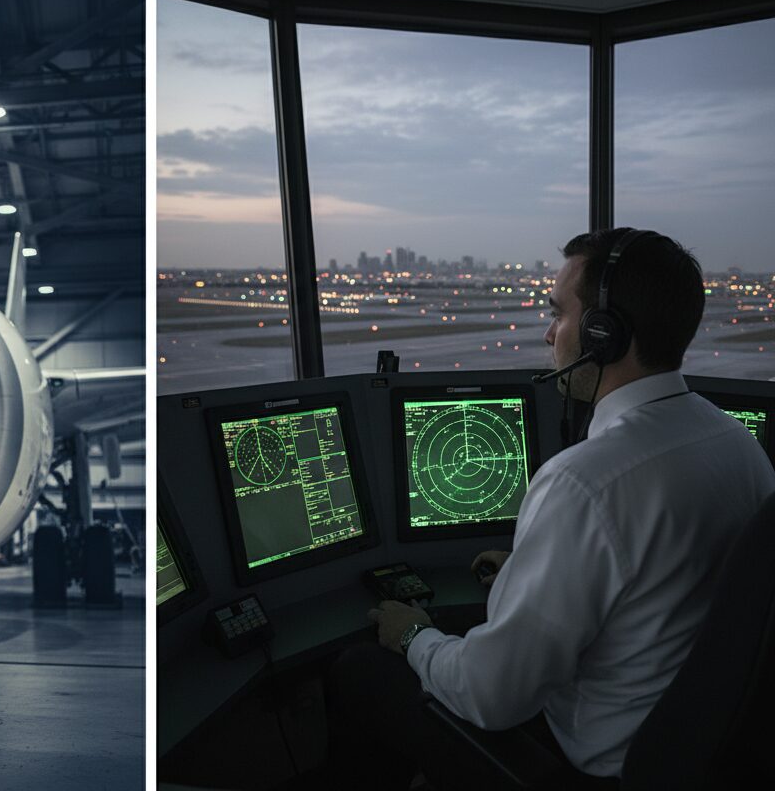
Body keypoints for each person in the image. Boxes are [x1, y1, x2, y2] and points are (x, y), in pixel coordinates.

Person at [331, 228, 775, 788]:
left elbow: (492, 696)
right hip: (697, 749)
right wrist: (532, 566)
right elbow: (656, 588)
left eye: (559, 314)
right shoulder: (737, 444)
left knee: (360, 671)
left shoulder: (586, 482)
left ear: (603, 334)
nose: (549, 333)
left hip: (599, 766)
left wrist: (414, 636)